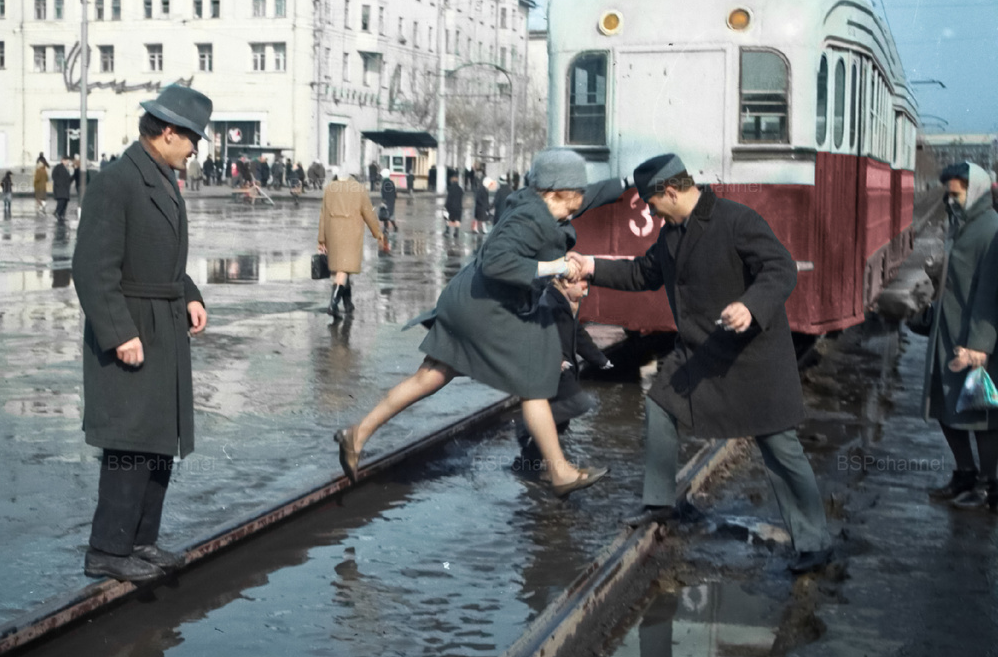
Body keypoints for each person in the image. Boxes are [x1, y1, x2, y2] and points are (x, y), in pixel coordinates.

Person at [577, 153, 834, 573]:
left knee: (780, 448)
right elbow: (643, 274)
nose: (650, 213)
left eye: (651, 203)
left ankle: (814, 542)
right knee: (660, 405)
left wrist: (750, 306)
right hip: (700, 351)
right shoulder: (672, 234)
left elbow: (781, 268)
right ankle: (660, 502)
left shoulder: (737, 220)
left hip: (753, 356)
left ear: (670, 191)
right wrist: (590, 266)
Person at [334, 148, 624, 496]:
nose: (573, 213)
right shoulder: (528, 218)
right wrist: (557, 267)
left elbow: (591, 196)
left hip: (471, 301)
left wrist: (629, 183)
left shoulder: (544, 201)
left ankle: (357, 434)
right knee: (534, 379)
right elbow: (496, 263)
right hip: (483, 308)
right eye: (570, 206)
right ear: (552, 192)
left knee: (430, 377)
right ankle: (559, 472)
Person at [72, 84, 211, 582]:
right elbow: (91, 268)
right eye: (193, 138)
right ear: (169, 132)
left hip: (162, 325)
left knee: (157, 438)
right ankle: (107, 549)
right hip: (133, 328)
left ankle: (140, 541)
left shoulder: (160, 176)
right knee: (129, 441)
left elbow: (163, 256)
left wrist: (190, 293)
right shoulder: (117, 181)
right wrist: (119, 334)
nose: (195, 149)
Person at [920, 161, 998, 510]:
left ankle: (988, 485)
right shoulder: (960, 224)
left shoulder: (991, 229)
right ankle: (965, 474)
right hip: (947, 332)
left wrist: (981, 345)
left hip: (973, 340)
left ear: (976, 191)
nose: (950, 201)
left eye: (957, 194)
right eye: (948, 195)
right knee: (944, 405)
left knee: (981, 413)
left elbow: (990, 293)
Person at [513, 272, 612, 472]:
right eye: (583, 284)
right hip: (552, 369)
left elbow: (578, 335)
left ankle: (528, 465)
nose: (586, 291)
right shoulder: (549, 302)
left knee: (559, 423)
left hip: (562, 368)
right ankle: (526, 425)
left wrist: (600, 359)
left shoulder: (566, 302)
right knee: (577, 403)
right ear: (567, 282)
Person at [318, 174, 384, 317]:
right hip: (350, 235)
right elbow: (368, 213)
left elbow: (323, 215)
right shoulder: (359, 189)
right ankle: (333, 305)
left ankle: (348, 304)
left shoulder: (329, 189)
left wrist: (321, 239)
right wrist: (378, 233)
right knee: (343, 270)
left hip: (332, 234)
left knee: (341, 270)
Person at [378, 168, 399, 239]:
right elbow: (395, 193)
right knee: (390, 215)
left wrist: (383, 201)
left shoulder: (384, 183)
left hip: (386, 201)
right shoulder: (391, 182)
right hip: (391, 201)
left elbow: (383, 193)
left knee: (385, 215)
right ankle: (394, 227)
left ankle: (386, 229)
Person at [52, 156, 73, 221]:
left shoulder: (67, 168)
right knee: (61, 201)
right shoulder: (58, 167)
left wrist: (72, 174)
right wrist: (58, 183)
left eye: (68, 161)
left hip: (65, 188)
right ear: (63, 160)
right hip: (60, 188)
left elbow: (69, 179)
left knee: (65, 202)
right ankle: (57, 213)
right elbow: (54, 176)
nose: (68, 162)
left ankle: (62, 215)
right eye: (67, 161)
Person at [445, 170, 464, 237]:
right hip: (459, 207)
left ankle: (447, 231)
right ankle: (456, 232)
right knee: (457, 220)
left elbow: (449, 199)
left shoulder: (450, 189)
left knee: (449, 219)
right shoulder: (460, 189)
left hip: (451, 207)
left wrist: (446, 206)